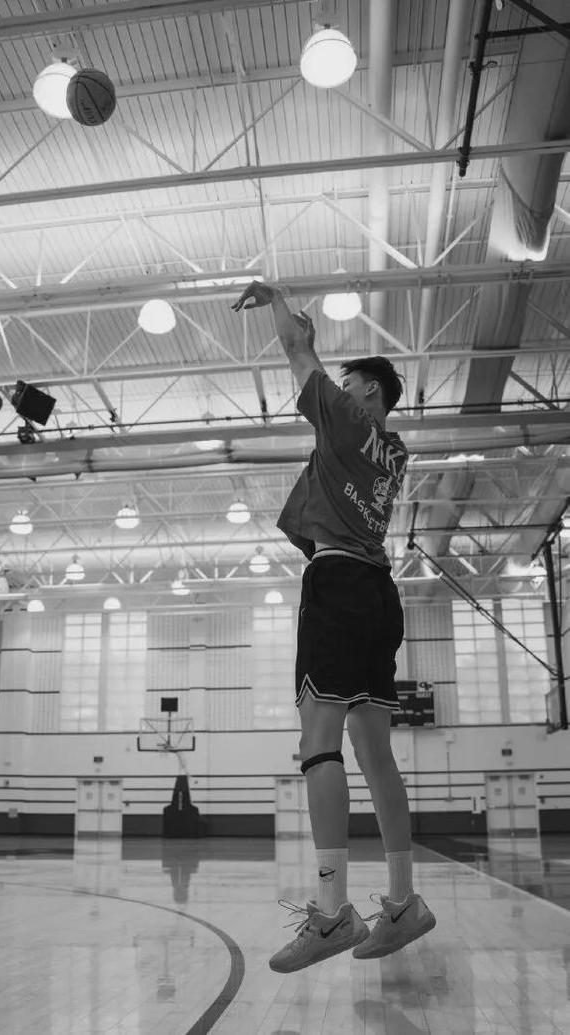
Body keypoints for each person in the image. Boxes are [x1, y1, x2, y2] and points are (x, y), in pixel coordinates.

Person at [231, 281, 436, 973]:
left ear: (368, 393)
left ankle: (331, 911)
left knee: (317, 744)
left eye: (348, 384)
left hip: (341, 582)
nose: (338, 390)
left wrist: (276, 300)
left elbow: (295, 347)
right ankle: (403, 902)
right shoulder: (394, 452)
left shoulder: (348, 420)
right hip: (379, 593)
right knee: (376, 754)